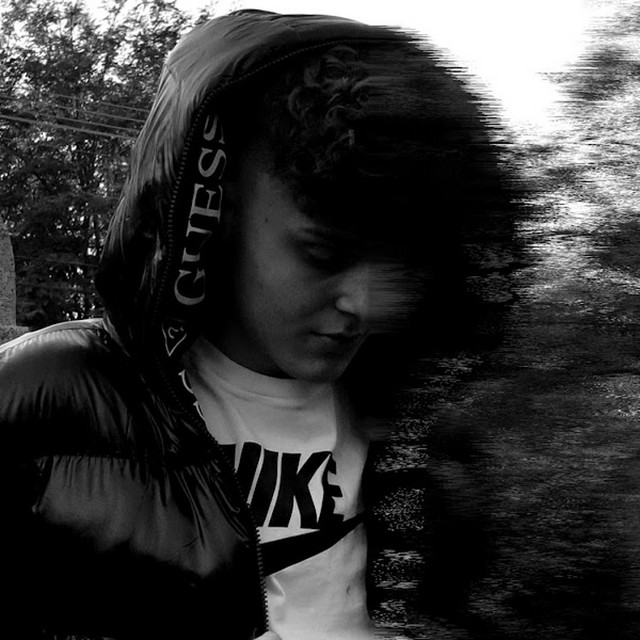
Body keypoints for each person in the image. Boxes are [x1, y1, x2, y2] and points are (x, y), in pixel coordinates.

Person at [1, 8, 520, 640]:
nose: (366, 304)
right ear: (220, 212)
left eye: (398, 264)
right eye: (322, 253)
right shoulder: (37, 400)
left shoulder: (425, 431)